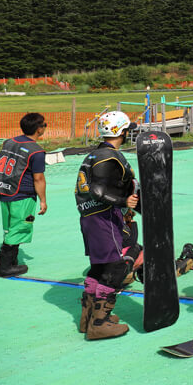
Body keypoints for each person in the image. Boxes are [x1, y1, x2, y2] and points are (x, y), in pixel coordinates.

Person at [75, 110, 137, 340]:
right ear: (121, 131)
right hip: (103, 217)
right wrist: (125, 201)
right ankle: (99, 324)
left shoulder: (94, 154)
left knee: (99, 267)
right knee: (115, 268)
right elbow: (100, 191)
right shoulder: (109, 156)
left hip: (90, 216)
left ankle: (88, 319)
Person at [0, 112, 48, 277]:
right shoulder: (36, 152)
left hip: (5, 191)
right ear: (38, 129)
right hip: (22, 195)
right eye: (44, 125)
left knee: (10, 227)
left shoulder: (10, 141)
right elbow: (38, 178)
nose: (44, 128)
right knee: (20, 227)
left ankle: (11, 261)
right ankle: (5, 267)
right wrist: (43, 200)